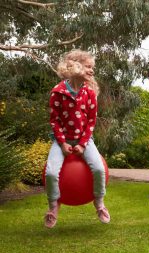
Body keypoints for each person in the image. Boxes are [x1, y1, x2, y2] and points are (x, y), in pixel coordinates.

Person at [44, 49, 110, 228]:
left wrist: (82, 144)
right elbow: (54, 121)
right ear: (76, 66)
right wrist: (63, 142)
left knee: (98, 169)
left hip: (84, 140)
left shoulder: (89, 93)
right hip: (62, 140)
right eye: (89, 67)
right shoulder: (58, 92)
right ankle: (53, 206)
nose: (92, 71)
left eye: (92, 67)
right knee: (51, 172)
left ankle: (99, 202)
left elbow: (91, 122)